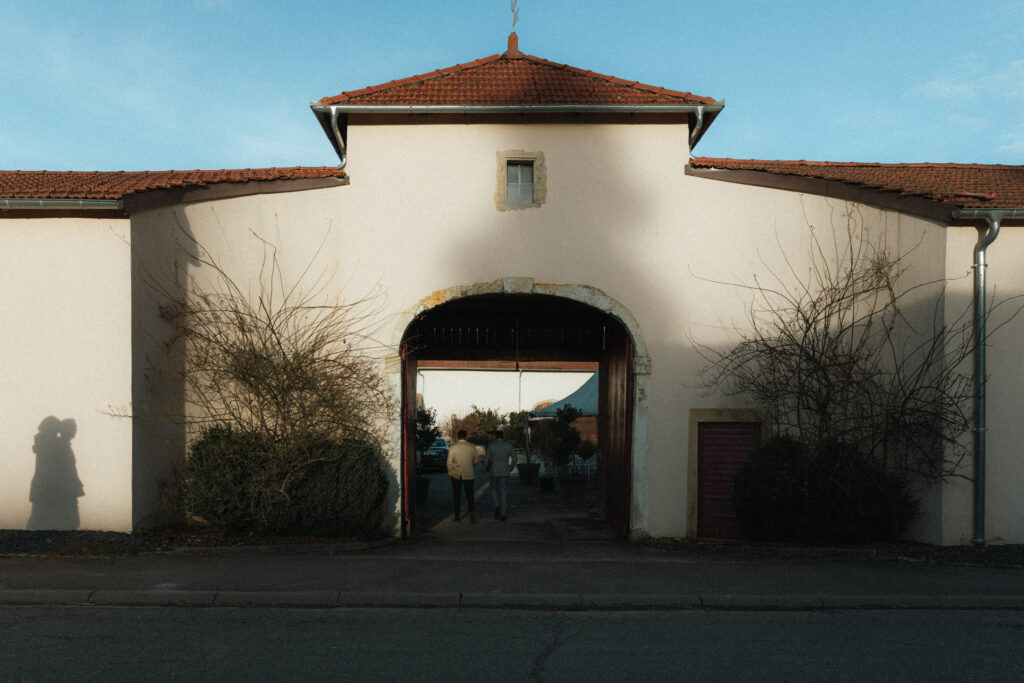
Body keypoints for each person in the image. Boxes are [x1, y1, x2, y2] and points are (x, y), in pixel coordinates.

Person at [482, 430, 516, 520]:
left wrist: (484, 470)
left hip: (494, 471)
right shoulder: (509, 445)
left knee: (493, 489)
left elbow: (486, 459)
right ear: (503, 436)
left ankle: (497, 505)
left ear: (495, 437)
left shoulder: (491, 445)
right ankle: (503, 514)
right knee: (503, 491)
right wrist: (510, 468)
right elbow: (515, 459)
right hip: (505, 471)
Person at [447, 429, 479, 523]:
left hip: (456, 475)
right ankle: (472, 516)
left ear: (458, 437)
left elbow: (449, 462)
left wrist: (450, 472)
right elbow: (476, 460)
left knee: (457, 496)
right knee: (470, 496)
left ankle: (457, 516)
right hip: (468, 474)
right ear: (466, 436)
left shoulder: (453, 447)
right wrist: (470, 463)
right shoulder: (471, 446)